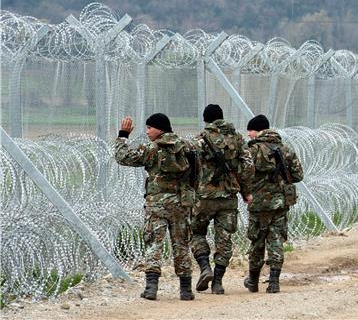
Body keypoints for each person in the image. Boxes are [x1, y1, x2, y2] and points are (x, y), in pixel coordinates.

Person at [114, 113, 196, 301]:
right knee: (181, 244)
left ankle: (151, 288)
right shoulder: (187, 147)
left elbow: (122, 157)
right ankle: (185, 290)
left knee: (154, 244)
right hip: (181, 203)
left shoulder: (151, 149)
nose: (147, 131)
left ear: (160, 129)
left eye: (150, 128)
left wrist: (123, 135)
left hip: (157, 204)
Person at [191, 104, 254, 294]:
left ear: (206, 120)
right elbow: (248, 166)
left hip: (204, 197)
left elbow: (189, 166)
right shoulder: (237, 138)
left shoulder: (201, 139)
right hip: (228, 197)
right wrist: (245, 191)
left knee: (196, 232)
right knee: (224, 239)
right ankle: (217, 282)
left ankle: (204, 267)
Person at [243, 114, 304, 294]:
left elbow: (243, 174)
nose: (248, 134)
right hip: (280, 202)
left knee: (257, 241)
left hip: (259, 203)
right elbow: (299, 175)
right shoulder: (285, 149)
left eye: (251, 130)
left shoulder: (252, 151)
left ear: (259, 130)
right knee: (276, 240)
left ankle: (253, 281)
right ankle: (274, 282)